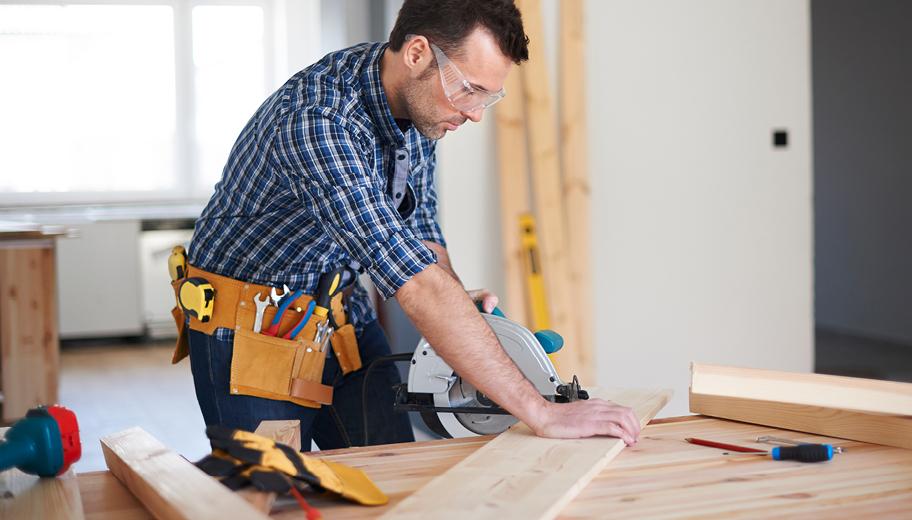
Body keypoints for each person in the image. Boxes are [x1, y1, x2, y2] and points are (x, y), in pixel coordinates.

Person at [181, 0, 640, 451]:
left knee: (391, 476)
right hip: (252, 332)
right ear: (418, 53)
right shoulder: (317, 121)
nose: (476, 113)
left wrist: (463, 308)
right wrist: (541, 413)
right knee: (271, 496)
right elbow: (415, 284)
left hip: (338, 314)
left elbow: (420, 236)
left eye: (489, 96)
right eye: (470, 90)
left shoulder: (418, 107)